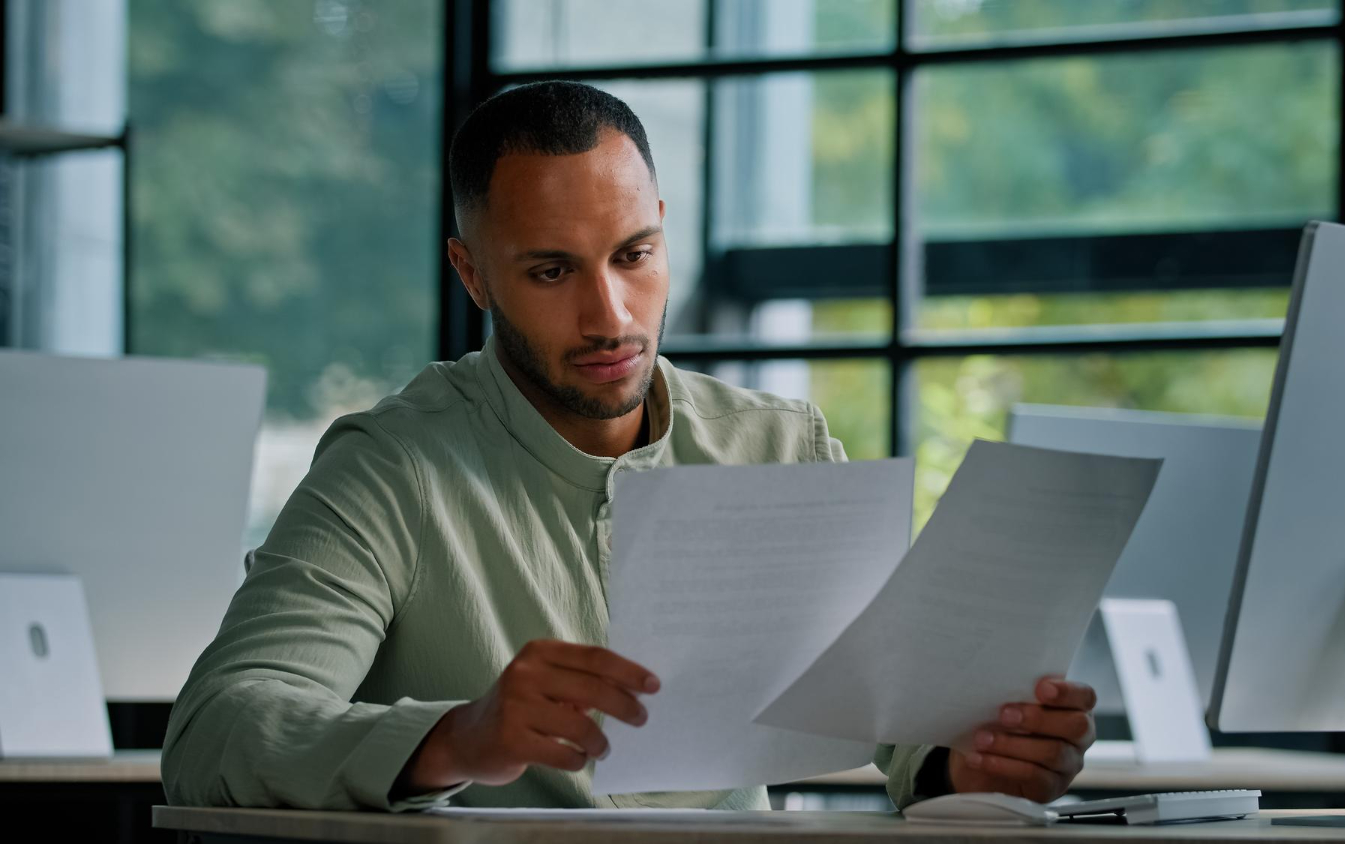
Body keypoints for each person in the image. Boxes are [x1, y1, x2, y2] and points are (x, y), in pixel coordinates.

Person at [162, 81, 1097, 812]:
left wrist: (972, 764)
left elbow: (905, 727)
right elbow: (214, 732)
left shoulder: (783, 445)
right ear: (472, 274)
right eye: (551, 271)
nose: (609, 315)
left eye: (634, 255)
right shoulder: (389, 468)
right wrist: (458, 736)